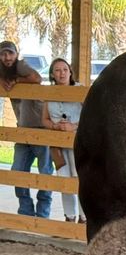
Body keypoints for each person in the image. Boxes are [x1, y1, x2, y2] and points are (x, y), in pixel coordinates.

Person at [0, 41, 49, 218]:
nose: (7, 58)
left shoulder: (21, 65)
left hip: (41, 128)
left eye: (10, 54)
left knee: (45, 175)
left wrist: (16, 80)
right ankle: (26, 214)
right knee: (18, 172)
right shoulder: (2, 69)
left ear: (16, 54)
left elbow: (37, 78)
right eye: (3, 54)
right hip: (22, 129)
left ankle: (43, 215)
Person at [41, 58, 84, 223]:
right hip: (58, 146)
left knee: (80, 180)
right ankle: (69, 216)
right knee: (64, 181)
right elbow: (44, 119)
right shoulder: (49, 93)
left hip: (78, 143)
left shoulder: (79, 90)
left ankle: (83, 217)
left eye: (65, 69)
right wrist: (55, 126)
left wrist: (73, 126)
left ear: (70, 72)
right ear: (52, 74)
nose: (62, 73)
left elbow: (90, 116)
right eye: (58, 70)